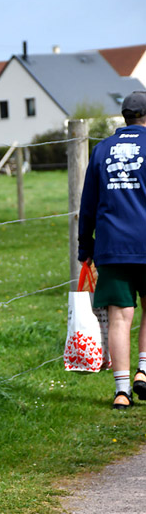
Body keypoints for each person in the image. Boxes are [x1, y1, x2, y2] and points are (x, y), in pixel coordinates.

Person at [78, 90, 146, 409]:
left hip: (111, 245)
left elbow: (88, 203)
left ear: (125, 117)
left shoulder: (102, 149)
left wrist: (85, 245)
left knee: (120, 317)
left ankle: (122, 392)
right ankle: (143, 371)